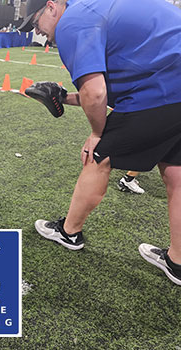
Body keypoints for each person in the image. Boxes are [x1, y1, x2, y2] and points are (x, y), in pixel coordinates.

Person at [19, 0, 181, 285]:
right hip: (170, 85)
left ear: (52, 6)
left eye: (35, 23)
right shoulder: (96, 8)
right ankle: (178, 261)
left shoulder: (72, 22)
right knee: (176, 173)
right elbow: (110, 88)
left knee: (98, 157)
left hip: (162, 89)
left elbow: (95, 94)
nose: (37, 32)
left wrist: (97, 134)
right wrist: (65, 98)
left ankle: (69, 232)